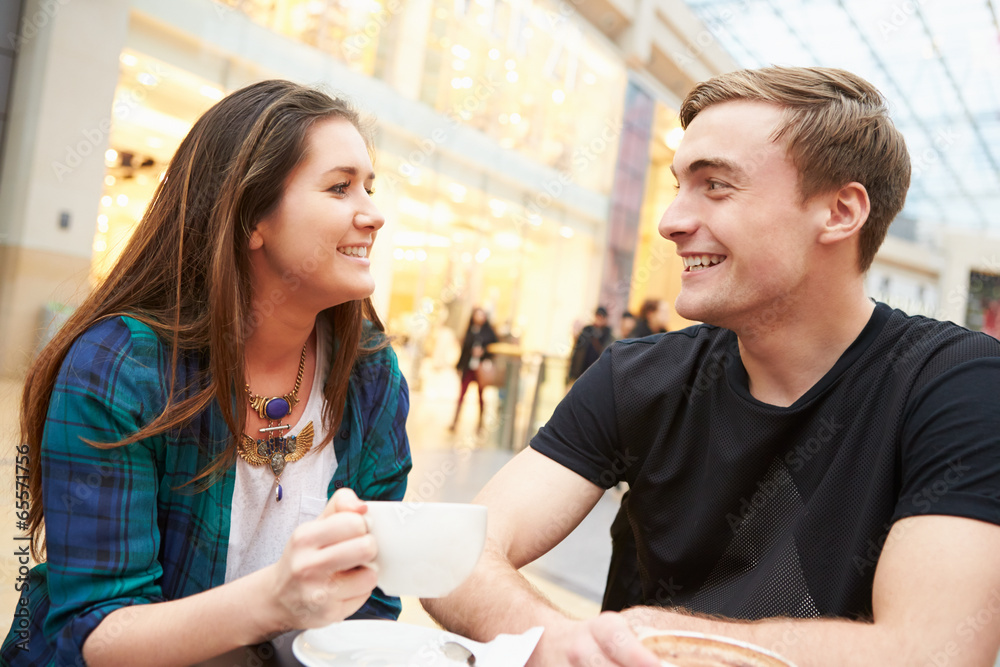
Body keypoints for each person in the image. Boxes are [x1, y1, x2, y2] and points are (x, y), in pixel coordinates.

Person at [423, 66, 1000, 666]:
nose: (671, 221)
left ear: (839, 212)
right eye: (678, 185)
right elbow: (455, 554)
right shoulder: (640, 376)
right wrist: (559, 642)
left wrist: (654, 642)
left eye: (716, 186)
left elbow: (932, 653)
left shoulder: (957, 385)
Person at [2, 80, 412, 667]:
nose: (373, 214)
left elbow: (371, 600)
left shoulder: (370, 373)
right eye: (340, 187)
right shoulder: (121, 366)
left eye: (370, 188)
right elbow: (96, 634)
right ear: (252, 219)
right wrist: (275, 600)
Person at [450, 307, 498, 432]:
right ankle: (455, 422)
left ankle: (480, 424)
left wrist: (483, 352)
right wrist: (459, 366)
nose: (479, 318)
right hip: (468, 368)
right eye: (477, 315)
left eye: (482, 315)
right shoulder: (469, 331)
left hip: (481, 370)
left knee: (481, 396)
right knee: (461, 395)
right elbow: (464, 351)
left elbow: (494, 349)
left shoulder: (489, 332)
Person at [567, 306, 613, 384]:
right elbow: (578, 351)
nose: (599, 319)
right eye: (597, 316)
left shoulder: (607, 334)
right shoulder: (587, 329)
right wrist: (572, 374)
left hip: (596, 373)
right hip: (581, 371)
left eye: (601, 317)